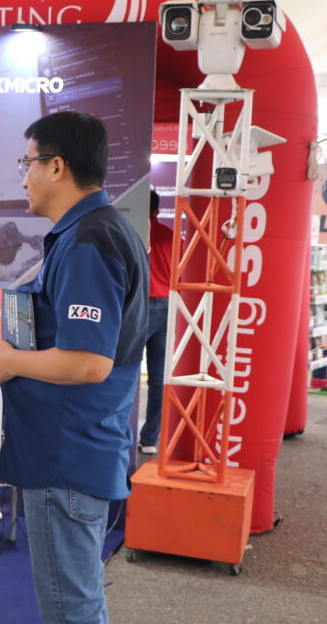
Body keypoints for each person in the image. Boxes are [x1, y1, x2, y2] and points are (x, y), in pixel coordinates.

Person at [0, 111, 149, 623]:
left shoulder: (88, 241)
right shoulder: (95, 231)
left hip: (67, 455)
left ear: (56, 166)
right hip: (75, 448)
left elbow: (89, 362)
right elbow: (75, 335)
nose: (23, 178)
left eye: (26, 164)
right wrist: (10, 332)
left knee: (70, 609)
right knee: (77, 600)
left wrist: (8, 360)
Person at [136, 189, 180, 456]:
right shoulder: (172, 236)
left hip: (138, 306)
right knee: (159, 377)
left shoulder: (133, 233)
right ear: (158, 209)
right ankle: (150, 438)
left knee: (127, 371)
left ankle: (123, 434)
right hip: (167, 306)